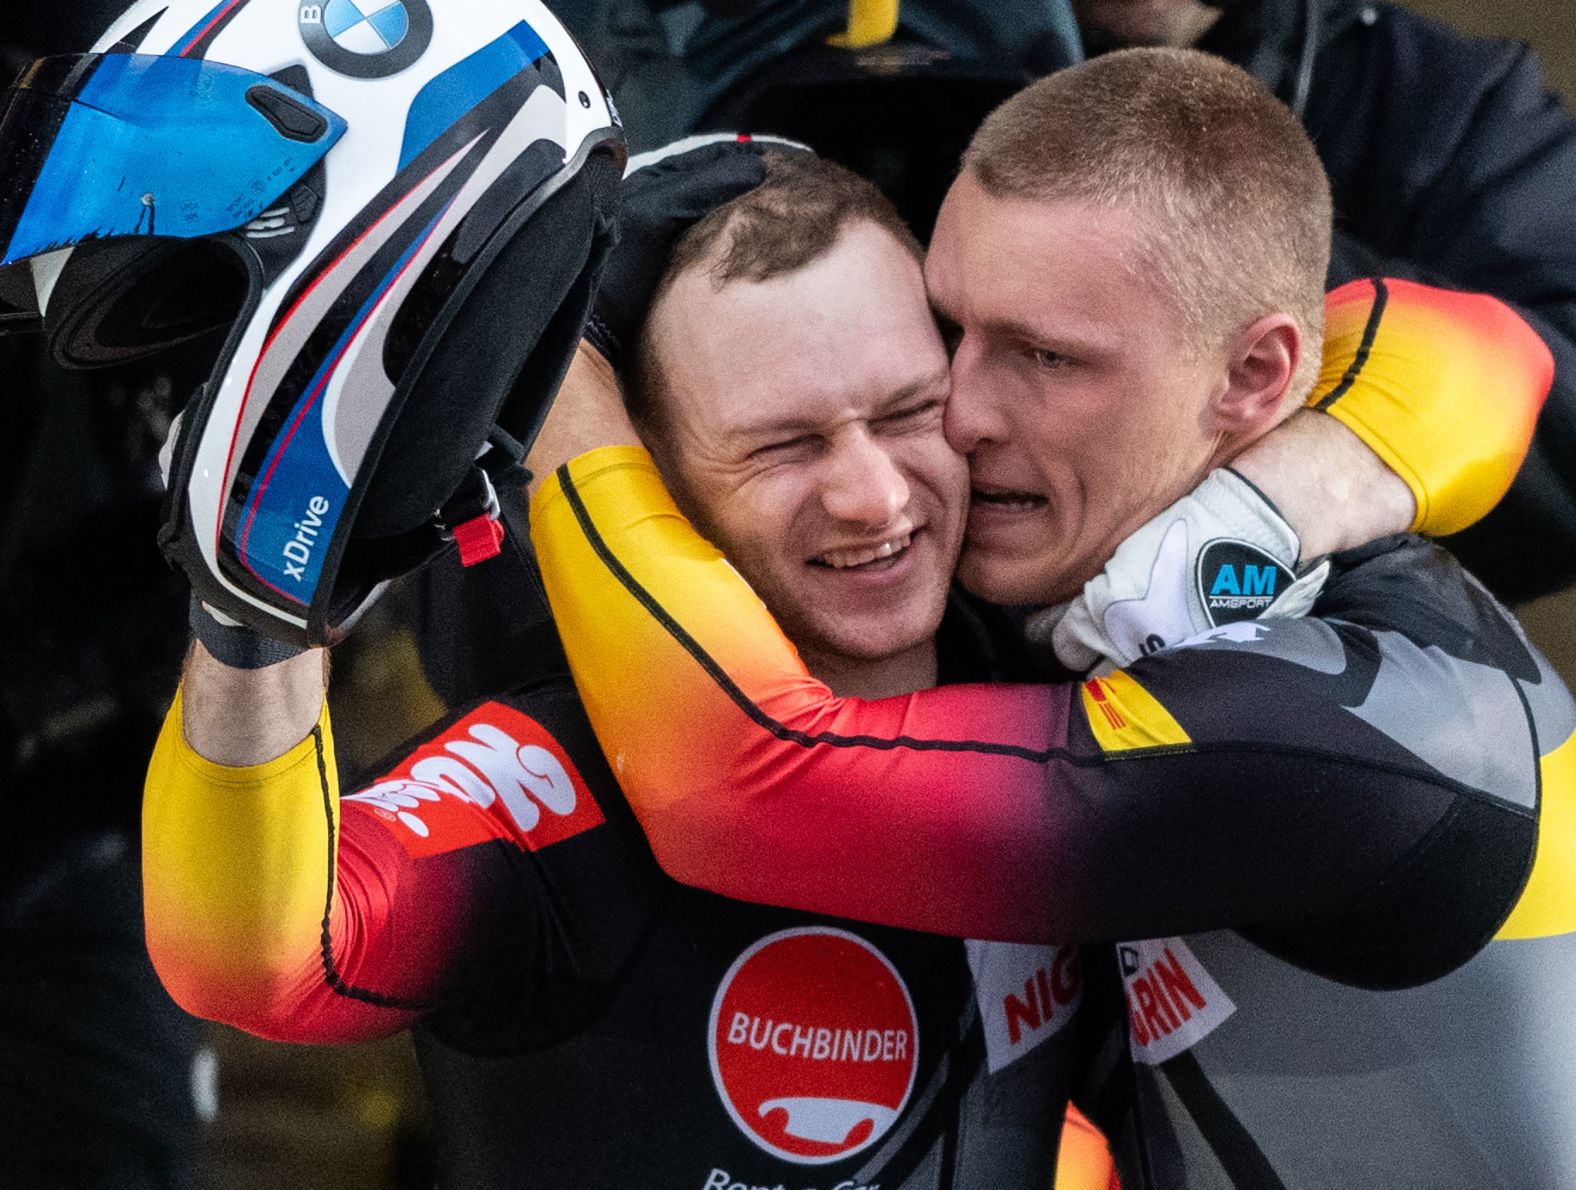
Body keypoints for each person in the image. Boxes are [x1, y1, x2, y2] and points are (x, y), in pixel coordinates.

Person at [147, 136, 1532, 1186]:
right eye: (783, 446)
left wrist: (1275, 499)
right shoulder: (568, 769)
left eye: (909, 410)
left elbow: (1478, 335)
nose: (873, 496)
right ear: (659, 489)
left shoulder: (1055, 650)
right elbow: (259, 952)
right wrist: (254, 614)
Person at [528, 50, 1576, 1189]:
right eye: (951, 328)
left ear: (1254, 377)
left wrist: (554, 362)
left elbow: (737, 781)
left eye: (1043, 356)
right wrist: (1267, 502)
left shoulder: (1362, 721)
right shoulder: (1149, 574)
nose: (962, 411)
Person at [1070, 0, 1576, 602]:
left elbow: (1562, 456)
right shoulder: (942, 55)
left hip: (1306, 644)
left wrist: (1227, 228)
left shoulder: (1450, 100)